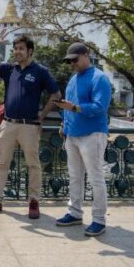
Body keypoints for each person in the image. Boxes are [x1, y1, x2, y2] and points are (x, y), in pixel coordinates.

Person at [0, 29, 61, 219]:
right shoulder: (9, 69)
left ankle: (34, 201)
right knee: (2, 164)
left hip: (30, 126)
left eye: (21, 49)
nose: (17, 52)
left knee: (33, 165)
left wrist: (42, 115)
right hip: (8, 124)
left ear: (30, 51)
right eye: (15, 48)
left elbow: (56, 95)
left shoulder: (40, 72)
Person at [53, 42, 112, 237]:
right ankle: (75, 212)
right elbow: (67, 105)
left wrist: (75, 109)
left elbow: (99, 107)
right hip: (73, 135)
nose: (72, 64)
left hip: (92, 134)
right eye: (69, 62)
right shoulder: (73, 78)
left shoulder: (100, 78)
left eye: (75, 60)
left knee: (96, 178)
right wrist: (64, 124)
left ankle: (99, 220)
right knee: (75, 176)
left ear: (86, 55)